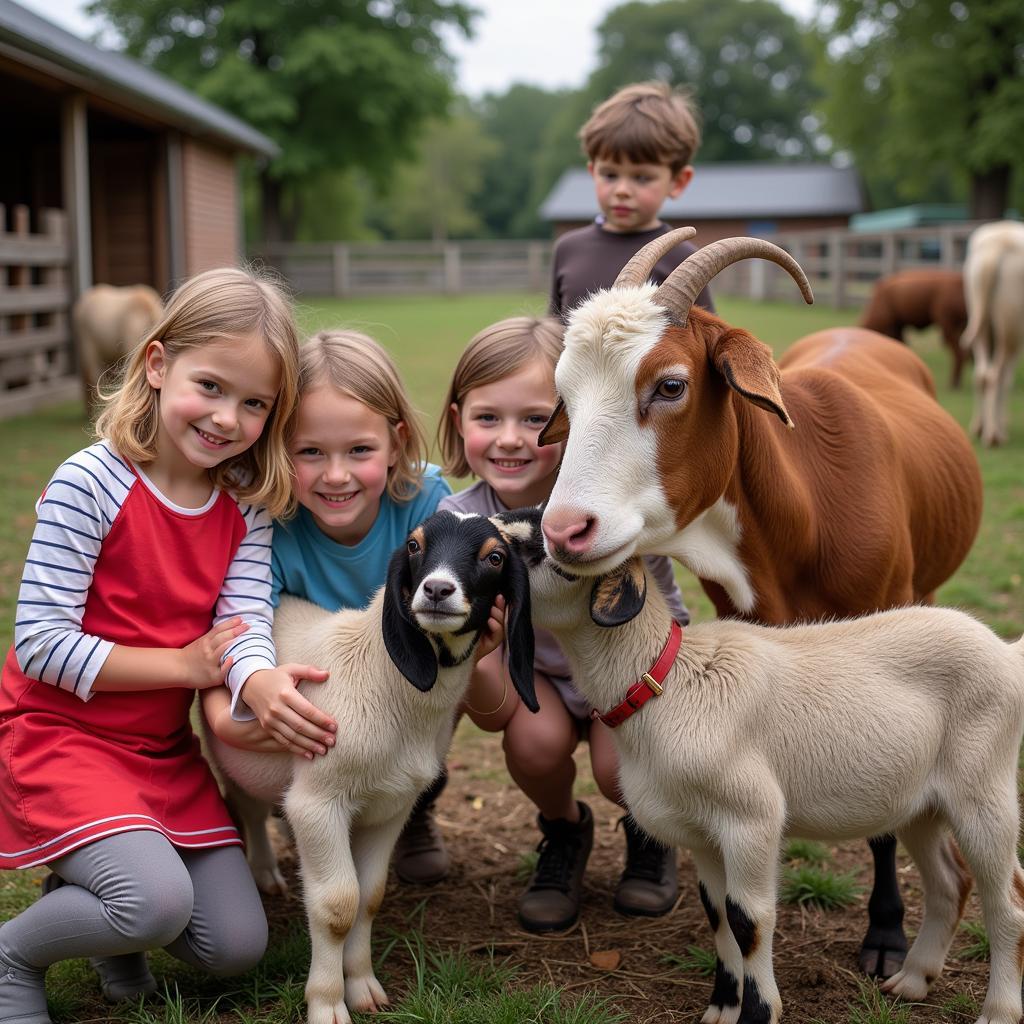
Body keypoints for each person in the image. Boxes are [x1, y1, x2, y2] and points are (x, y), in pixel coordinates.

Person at [0, 267, 330, 1024]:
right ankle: (15, 954)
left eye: (254, 404)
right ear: (156, 365)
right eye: (210, 386)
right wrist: (185, 665)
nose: (226, 418)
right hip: (62, 738)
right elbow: (42, 643)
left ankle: (108, 920)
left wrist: (259, 684)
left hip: (158, 753)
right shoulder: (92, 481)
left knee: (234, 944)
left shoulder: (243, 509)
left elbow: (239, 628)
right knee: (153, 903)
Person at [436, 316, 691, 933]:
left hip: (631, 672)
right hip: (536, 676)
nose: (511, 440)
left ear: (579, 416)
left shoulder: (612, 503)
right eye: (487, 418)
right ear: (456, 420)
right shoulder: (459, 521)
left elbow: (659, 615)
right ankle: (563, 831)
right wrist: (479, 650)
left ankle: (651, 834)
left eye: (534, 418)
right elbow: (493, 713)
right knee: (531, 742)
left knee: (618, 773)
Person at [203, 329, 455, 884]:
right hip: (310, 679)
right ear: (276, 449)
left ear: (397, 443)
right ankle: (256, 825)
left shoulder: (430, 505)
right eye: (310, 452)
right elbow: (238, 623)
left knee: (441, 686)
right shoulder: (266, 519)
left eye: (359, 451)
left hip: (396, 686)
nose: (335, 475)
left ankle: (411, 809)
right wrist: (238, 702)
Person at [549, 80, 715, 321]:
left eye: (641, 177)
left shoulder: (684, 259)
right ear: (592, 172)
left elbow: (704, 343)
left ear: (678, 182)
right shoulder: (568, 249)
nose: (622, 190)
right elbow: (553, 338)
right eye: (610, 175)